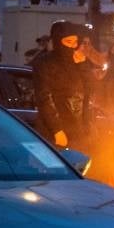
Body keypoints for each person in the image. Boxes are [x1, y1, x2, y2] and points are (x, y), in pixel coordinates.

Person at [32, 20, 96, 151]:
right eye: (68, 42)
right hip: (56, 131)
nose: (72, 46)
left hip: (79, 129)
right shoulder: (45, 63)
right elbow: (44, 98)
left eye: (75, 42)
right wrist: (57, 130)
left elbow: (91, 90)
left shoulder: (78, 63)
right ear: (58, 41)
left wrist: (82, 65)